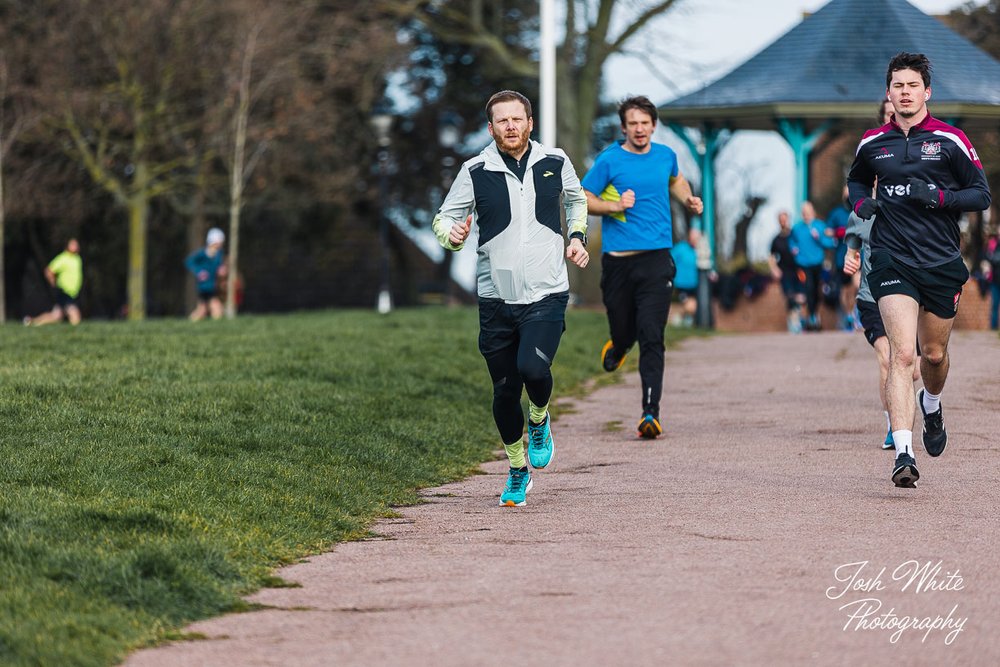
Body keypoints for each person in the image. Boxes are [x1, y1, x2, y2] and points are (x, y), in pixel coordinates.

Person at [432, 90, 589, 507]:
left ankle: (539, 418)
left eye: (517, 119)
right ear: (491, 128)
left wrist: (576, 237)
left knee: (533, 369)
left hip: (546, 292)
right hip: (496, 298)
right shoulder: (475, 169)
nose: (511, 126)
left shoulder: (554, 162)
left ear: (529, 122)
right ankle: (517, 468)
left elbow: (576, 201)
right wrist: (452, 235)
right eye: (502, 121)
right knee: (504, 391)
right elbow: (444, 217)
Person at [848, 52, 990, 488]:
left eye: (912, 86)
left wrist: (939, 197)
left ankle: (932, 402)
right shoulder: (872, 143)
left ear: (927, 92)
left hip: (941, 261)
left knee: (933, 355)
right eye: (897, 86)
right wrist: (860, 203)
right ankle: (904, 452)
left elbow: (980, 195)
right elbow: (855, 180)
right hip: (892, 258)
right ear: (888, 93)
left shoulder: (951, 140)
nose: (904, 93)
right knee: (900, 354)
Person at [581, 95, 704, 439]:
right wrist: (613, 205)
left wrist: (688, 198)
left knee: (652, 334)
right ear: (624, 127)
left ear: (653, 125)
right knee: (624, 329)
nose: (639, 129)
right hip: (618, 264)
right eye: (632, 123)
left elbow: (676, 180)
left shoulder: (666, 156)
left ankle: (651, 412)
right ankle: (618, 346)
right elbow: (582, 197)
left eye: (644, 123)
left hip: (656, 260)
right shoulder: (609, 160)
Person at [788, 200, 835, 331]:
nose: (806, 215)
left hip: (818, 263)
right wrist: (794, 249)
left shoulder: (820, 226)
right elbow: (791, 242)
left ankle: (814, 314)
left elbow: (830, 244)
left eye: (808, 212)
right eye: (803, 213)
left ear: (813, 212)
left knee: (817, 290)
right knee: (807, 289)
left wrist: (818, 238)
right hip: (803, 264)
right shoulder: (797, 228)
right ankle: (811, 317)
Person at [24, 238, 83, 326]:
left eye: (76, 245)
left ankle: (31, 321)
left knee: (56, 316)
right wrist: (53, 283)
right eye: (72, 244)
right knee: (75, 316)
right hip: (65, 291)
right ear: (67, 246)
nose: (74, 246)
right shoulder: (63, 258)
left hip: (73, 292)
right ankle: (75, 335)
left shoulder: (77, 258)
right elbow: (49, 270)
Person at [768, 210, 805, 333]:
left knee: (800, 297)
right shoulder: (776, 239)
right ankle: (793, 323)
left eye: (785, 219)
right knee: (789, 296)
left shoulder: (794, 235)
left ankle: (798, 318)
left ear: (788, 219)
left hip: (798, 270)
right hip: (785, 272)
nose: (783, 222)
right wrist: (774, 269)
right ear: (779, 222)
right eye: (781, 220)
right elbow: (772, 256)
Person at [185, 227, 226, 321]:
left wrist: (221, 269)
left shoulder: (218, 254)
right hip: (205, 286)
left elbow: (218, 266)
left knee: (202, 310)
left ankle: (190, 322)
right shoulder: (203, 254)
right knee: (216, 307)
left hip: (213, 284)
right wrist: (199, 272)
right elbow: (189, 262)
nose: (221, 244)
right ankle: (218, 329)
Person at [670, 227, 701, 328]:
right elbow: (670, 259)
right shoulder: (681, 248)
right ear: (690, 236)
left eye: (698, 237)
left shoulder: (698, 251)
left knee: (693, 305)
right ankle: (681, 318)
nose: (696, 239)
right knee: (691, 306)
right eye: (694, 236)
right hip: (681, 284)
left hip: (694, 284)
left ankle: (684, 319)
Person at [984, 230, 1000, 330]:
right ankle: (993, 328)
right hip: (994, 281)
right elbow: (988, 258)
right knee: (994, 305)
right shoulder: (993, 244)